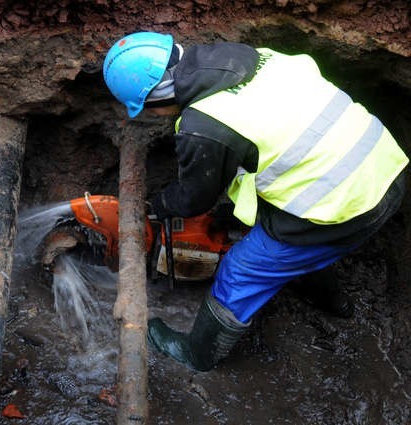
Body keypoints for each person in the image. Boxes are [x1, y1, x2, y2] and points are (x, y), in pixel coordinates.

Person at [102, 32, 408, 371]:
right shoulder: (246, 57)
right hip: (383, 166)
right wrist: (233, 213)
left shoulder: (203, 126)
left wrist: (159, 206)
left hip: (344, 205)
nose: (154, 116)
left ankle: (198, 354)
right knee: (302, 245)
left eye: (148, 109)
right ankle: (332, 300)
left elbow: (194, 198)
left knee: (241, 269)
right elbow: (270, 146)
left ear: (156, 98)